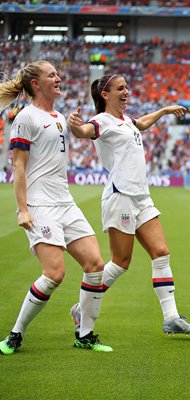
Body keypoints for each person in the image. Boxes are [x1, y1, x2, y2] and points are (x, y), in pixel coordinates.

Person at [66, 73, 190, 335]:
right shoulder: (101, 121)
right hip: (120, 196)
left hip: (142, 196)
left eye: (127, 87)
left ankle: (171, 318)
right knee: (120, 262)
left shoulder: (126, 121)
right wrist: (74, 125)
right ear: (105, 94)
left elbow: (141, 123)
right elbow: (84, 132)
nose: (127, 91)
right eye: (120, 88)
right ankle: (81, 309)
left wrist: (163, 111)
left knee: (161, 252)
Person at [0, 60, 112, 354]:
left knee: (95, 265)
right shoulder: (26, 117)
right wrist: (23, 209)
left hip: (65, 201)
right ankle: (16, 333)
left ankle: (84, 333)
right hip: (40, 204)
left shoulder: (60, 116)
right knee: (54, 274)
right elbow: (19, 168)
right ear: (36, 84)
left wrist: (76, 126)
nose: (59, 78)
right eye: (52, 75)